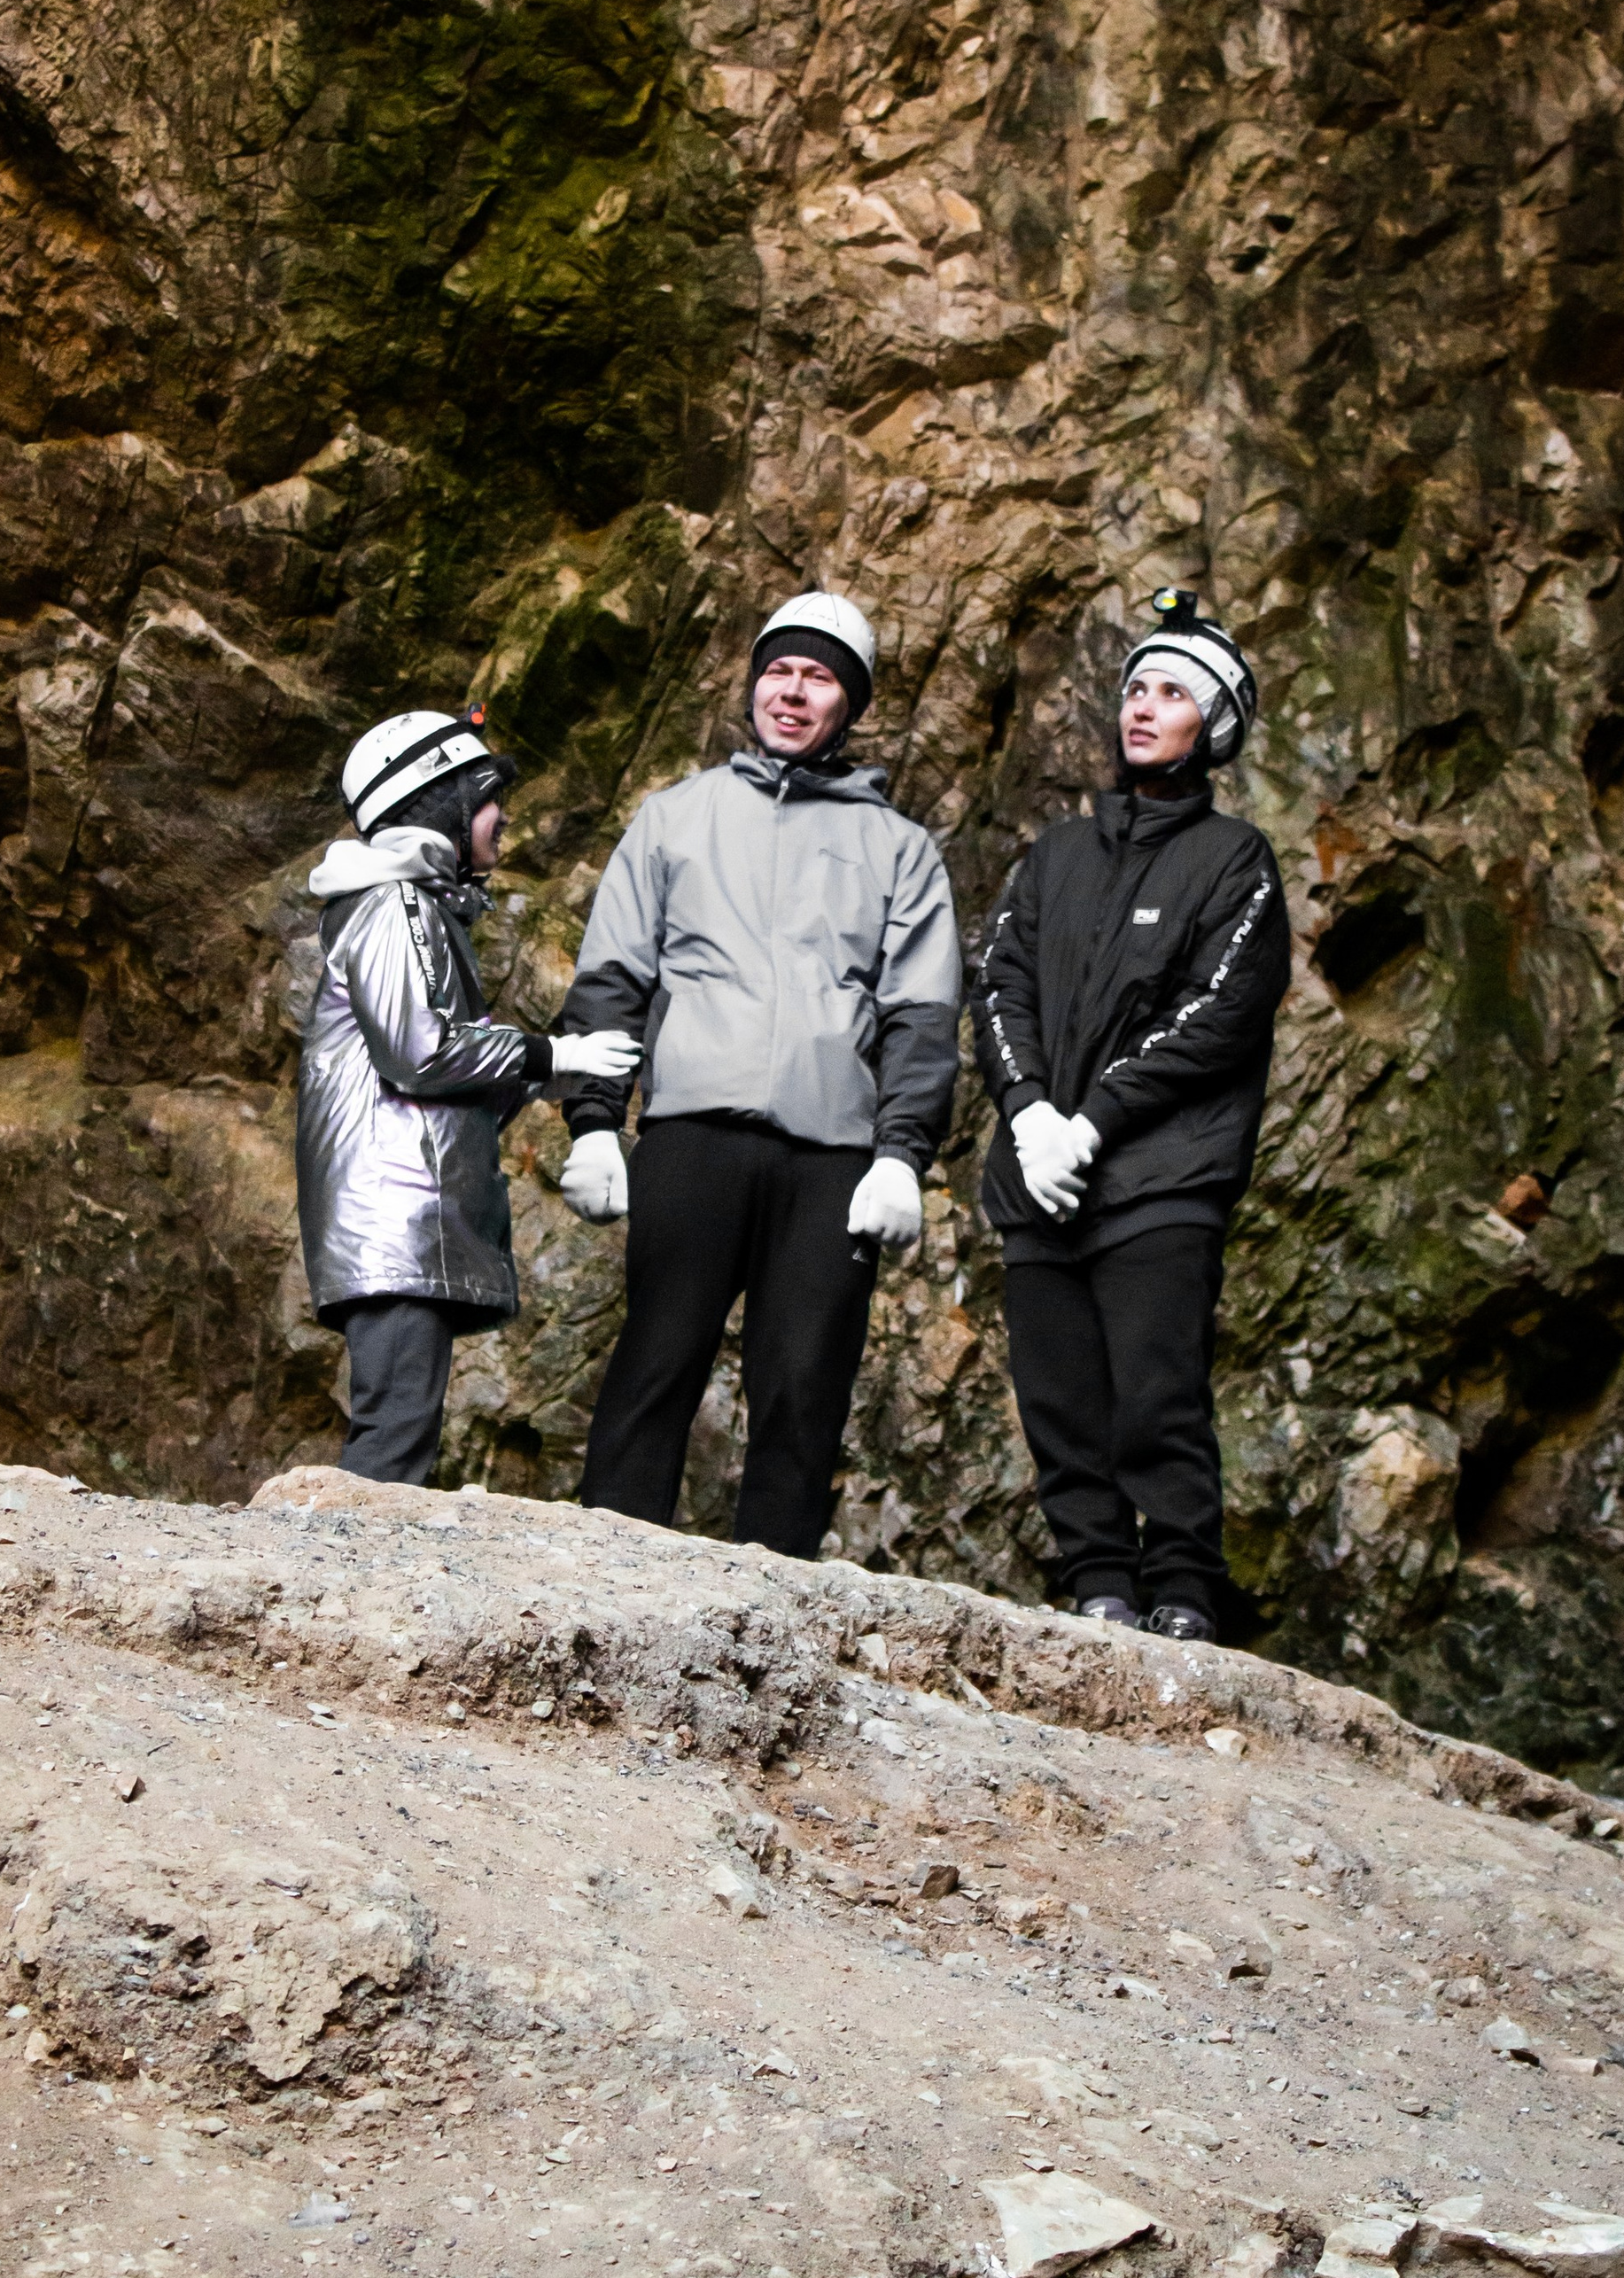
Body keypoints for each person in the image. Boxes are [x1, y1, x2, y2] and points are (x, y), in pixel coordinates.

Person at [553, 590, 962, 1558]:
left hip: (831, 1161)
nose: (792, 691)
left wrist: (900, 1154)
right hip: (693, 1134)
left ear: (849, 704)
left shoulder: (899, 849)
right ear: (752, 685)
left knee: (805, 1385)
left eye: (818, 677)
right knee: (656, 1361)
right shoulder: (676, 817)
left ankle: (780, 1595)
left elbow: (920, 1015)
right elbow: (613, 977)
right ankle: (606, 1575)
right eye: (778, 670)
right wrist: (594, 1122)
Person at [970, 587, 1290, 1643]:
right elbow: (1000, 980)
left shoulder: (1234, 860)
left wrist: (1092, 1120)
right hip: (1041, 1177)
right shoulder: (1057, 853)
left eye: (1172, 694)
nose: (1143, 708)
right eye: (1135, 689)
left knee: (1157, 1397)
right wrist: (1029, 1115)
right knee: (1059, 1402)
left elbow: (1220, 1013)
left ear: (1214, 725)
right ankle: (1098, 1582)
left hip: (1162, 1178)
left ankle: (1185, 1593)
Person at [296, 706, 639, 1483]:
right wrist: (551, 1051)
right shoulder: (394, 904)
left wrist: (545, 1075)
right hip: (397, 1214)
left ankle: (357, 1552)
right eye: (488, 798)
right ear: (439, 804)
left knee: (402, 1422)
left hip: (403, 1218)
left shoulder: (407, 906)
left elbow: (438, 1077)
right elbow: (422, 1053)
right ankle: (347, 1559)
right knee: (394, 1433)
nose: (503, 816)